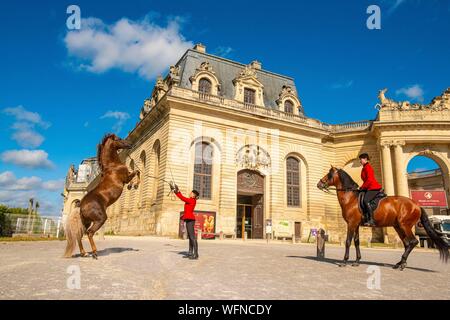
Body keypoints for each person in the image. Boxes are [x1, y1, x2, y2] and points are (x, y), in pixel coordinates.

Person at [171, 183, 200, 260]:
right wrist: (176, 191)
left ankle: (196, 254)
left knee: (192, 237)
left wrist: (177, 191)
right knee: (190, 237)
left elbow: (182, 198)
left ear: (194, 195)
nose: (190, 193)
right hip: (189, 219)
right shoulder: (191, 200)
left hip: (190, 220)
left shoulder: (192, 200)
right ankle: (190, 252)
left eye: (191, 192)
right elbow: (183, 198)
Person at [359, 153, 382, 227]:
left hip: (373, 187)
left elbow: (369, 180)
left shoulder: (368, 167)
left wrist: (363, 187)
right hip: (368, 187)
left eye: (361, 159)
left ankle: (371, 220)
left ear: (365, 159)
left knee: (366, 200)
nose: (360, 161)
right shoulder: (364, 167)